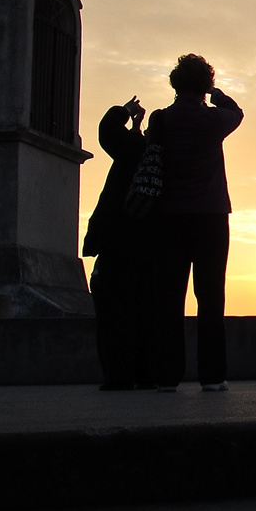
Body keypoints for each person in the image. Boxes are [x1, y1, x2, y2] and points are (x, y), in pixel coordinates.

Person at [145, 54, 243, 392]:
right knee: (211, 296)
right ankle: (212, 376)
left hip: (168, 216)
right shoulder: (214, 120)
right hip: (210, 215)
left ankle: (167, 375)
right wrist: (217, 94)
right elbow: (238, 113)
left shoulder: (161, 120)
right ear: (205, 83)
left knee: (169, 297)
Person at [83, 97, 152, 390]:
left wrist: (125, 112)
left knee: (112, 313)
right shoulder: (167, 157)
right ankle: (146, 375)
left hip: (118, 241)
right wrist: (138, 131)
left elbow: (108, 131)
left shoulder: (135, 151)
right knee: (145, 313)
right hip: (151, 247)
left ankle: (118, 376)